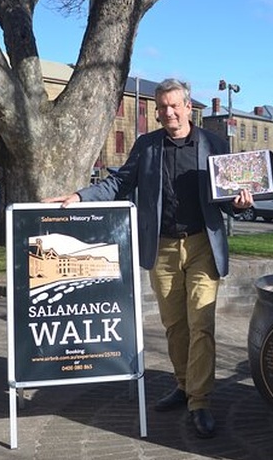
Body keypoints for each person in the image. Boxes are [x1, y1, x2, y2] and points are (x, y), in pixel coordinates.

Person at [44, 78, 253, 439]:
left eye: (175, 105)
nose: (168, 112)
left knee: (201, 323)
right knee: (174, 325)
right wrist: (79, 197)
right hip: (164, 249)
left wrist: (242, 203)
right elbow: (119, 183)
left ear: (189, 107)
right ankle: (185, 385)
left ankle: (200, 401)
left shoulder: (215, 143)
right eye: (162, 107)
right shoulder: (147, 146)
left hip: (203, 244)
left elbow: (232, 195)